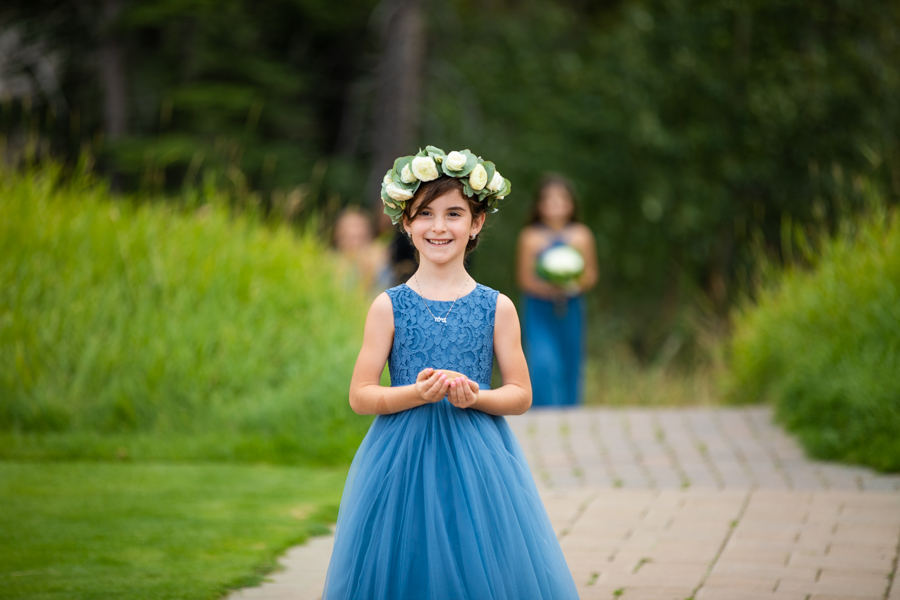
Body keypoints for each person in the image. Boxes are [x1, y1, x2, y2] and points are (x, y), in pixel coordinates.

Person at [323, 147, 578, 599]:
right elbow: (361, 395)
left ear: (477, 222)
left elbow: (520, 394)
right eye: (425, 214)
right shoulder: (389, 306)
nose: (439, 227)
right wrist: (414, 393)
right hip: (399, 461)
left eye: (454, 213)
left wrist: (475, 396)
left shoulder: (497, 307)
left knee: (477, 561)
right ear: (405, 222)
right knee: (407, 562)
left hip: (478, 460)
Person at [516, 175, 598, 407]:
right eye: (549, 200)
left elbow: (590, 274)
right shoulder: (529, 237)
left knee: (571, 358)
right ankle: (543, 411)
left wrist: (570, 286)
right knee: (543, 361)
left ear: (571, 204)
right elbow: (524, 278)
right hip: (538, 307)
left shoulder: (582, 235)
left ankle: (570, 410)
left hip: (572, 305)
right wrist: (550, 289)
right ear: (539, 205)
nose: (555, 205)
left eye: (561, 200)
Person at [332, 207, 391, 293]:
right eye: (351, 238)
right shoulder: (331, 263)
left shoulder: (380, 261)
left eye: (360, 237)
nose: (355, 244)